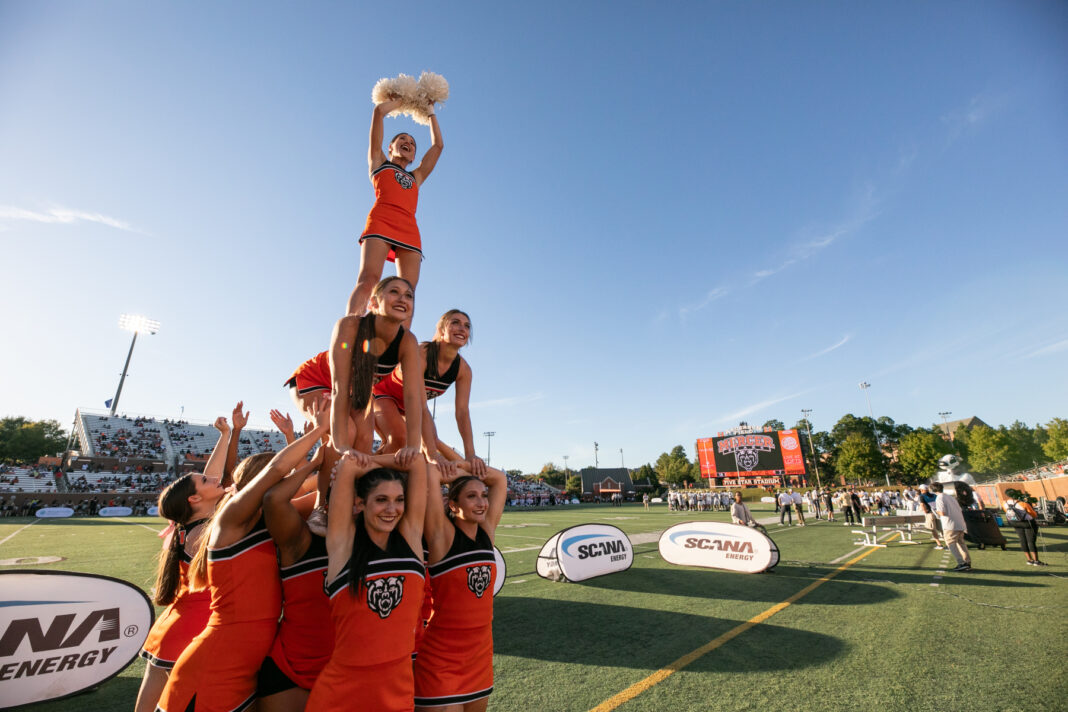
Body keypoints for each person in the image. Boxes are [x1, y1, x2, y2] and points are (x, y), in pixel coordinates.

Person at [156, 410, 329, 712]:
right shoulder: (229, 521)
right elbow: (278, 469)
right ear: (258, 483)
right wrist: (317, 439)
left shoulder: (272, 520)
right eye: (285, 478)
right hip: (217, 662)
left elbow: (323, 496)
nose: (290, 481)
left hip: (251, 664)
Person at [298, 276, 425, 535]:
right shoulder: (350, 326)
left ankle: (352, 501)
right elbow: (338, 386)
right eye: (394, 292)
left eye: (409, 295)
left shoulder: (408, 341)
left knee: (365, 440)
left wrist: (414, 444)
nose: (403, 298)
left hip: (360, 389)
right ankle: (321, 507)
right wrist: (341, 444)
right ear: (374, 303)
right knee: (346, 434)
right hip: (316, 380)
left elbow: (413, 397)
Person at [305, 452, 428, 711]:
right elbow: (348, 464)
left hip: (398, 694)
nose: (392, 509)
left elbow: (417, 462)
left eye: (399, 500)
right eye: (381, 500)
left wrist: (372, 464)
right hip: (341, 695)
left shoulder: (411, 539)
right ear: (360, 503)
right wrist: (359, 467)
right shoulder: (343, 545)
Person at [135, 414, 234, 712]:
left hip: (175, 624)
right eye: (206, 482)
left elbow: (211, 476)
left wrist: (225, 435)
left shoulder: (189, 525)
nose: (214, 480)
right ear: (193, 500)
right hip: (193, 629)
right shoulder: (205, 531)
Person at [414, 464, 506, 711]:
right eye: (471, 496)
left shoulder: (487, 531)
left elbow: (498, 479)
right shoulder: (441, 536)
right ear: (453, 505)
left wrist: (467, 469)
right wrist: (456, 472)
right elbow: (430, 474)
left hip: (480, 653)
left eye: (483, 496)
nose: (482, 503)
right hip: (442, 656)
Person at [346, 96, 444, 318]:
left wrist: (429, 111)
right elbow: (379, 113)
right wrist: (404, 100)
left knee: (408, 291)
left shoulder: (416, 176)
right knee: (369, 278)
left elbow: (438, 146)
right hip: (381, 220)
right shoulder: (379, 162)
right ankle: (351, 328)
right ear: (390, 147)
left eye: (412, 142)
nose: (408, 142)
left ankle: (399, 345)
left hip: (409, 228)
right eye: (402, 138)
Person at [256, 442, 333, 711]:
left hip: (342, 670)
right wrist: (315, 464)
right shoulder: (301, 540)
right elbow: (273, 500)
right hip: (289, 667)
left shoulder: (371, 543)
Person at [374, 309, 486, 477]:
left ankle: (377, 470)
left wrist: (471, 454)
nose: (462, 328)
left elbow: (462, 412)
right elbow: (420, 404)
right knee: (400, 437)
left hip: (411, 405)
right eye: (455, 322)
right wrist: (432, 455)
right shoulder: (422, 353)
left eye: (467, 326)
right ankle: (378, 481)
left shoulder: (464, 370)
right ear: (441, 330)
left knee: (431, 441)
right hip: (385, 393)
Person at [932, 483, 971, 572]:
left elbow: (942, 512)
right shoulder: (950, 497)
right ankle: (967, 562)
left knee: (951, 544)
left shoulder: (939, 498)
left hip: (950, 525)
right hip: (960, 523)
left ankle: (961, 563)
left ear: (933, 490)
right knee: (961, 543)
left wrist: (936, 511)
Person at [1003, 496, 1047, 567]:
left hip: (1014, 523)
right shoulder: (1023, 504)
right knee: (1030, 541)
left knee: (1022, 540)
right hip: (1027, 523)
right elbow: (1033, 514)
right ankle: (1036, 561)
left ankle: (1029, 560)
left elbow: (1006, 512)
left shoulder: (1004, 503)